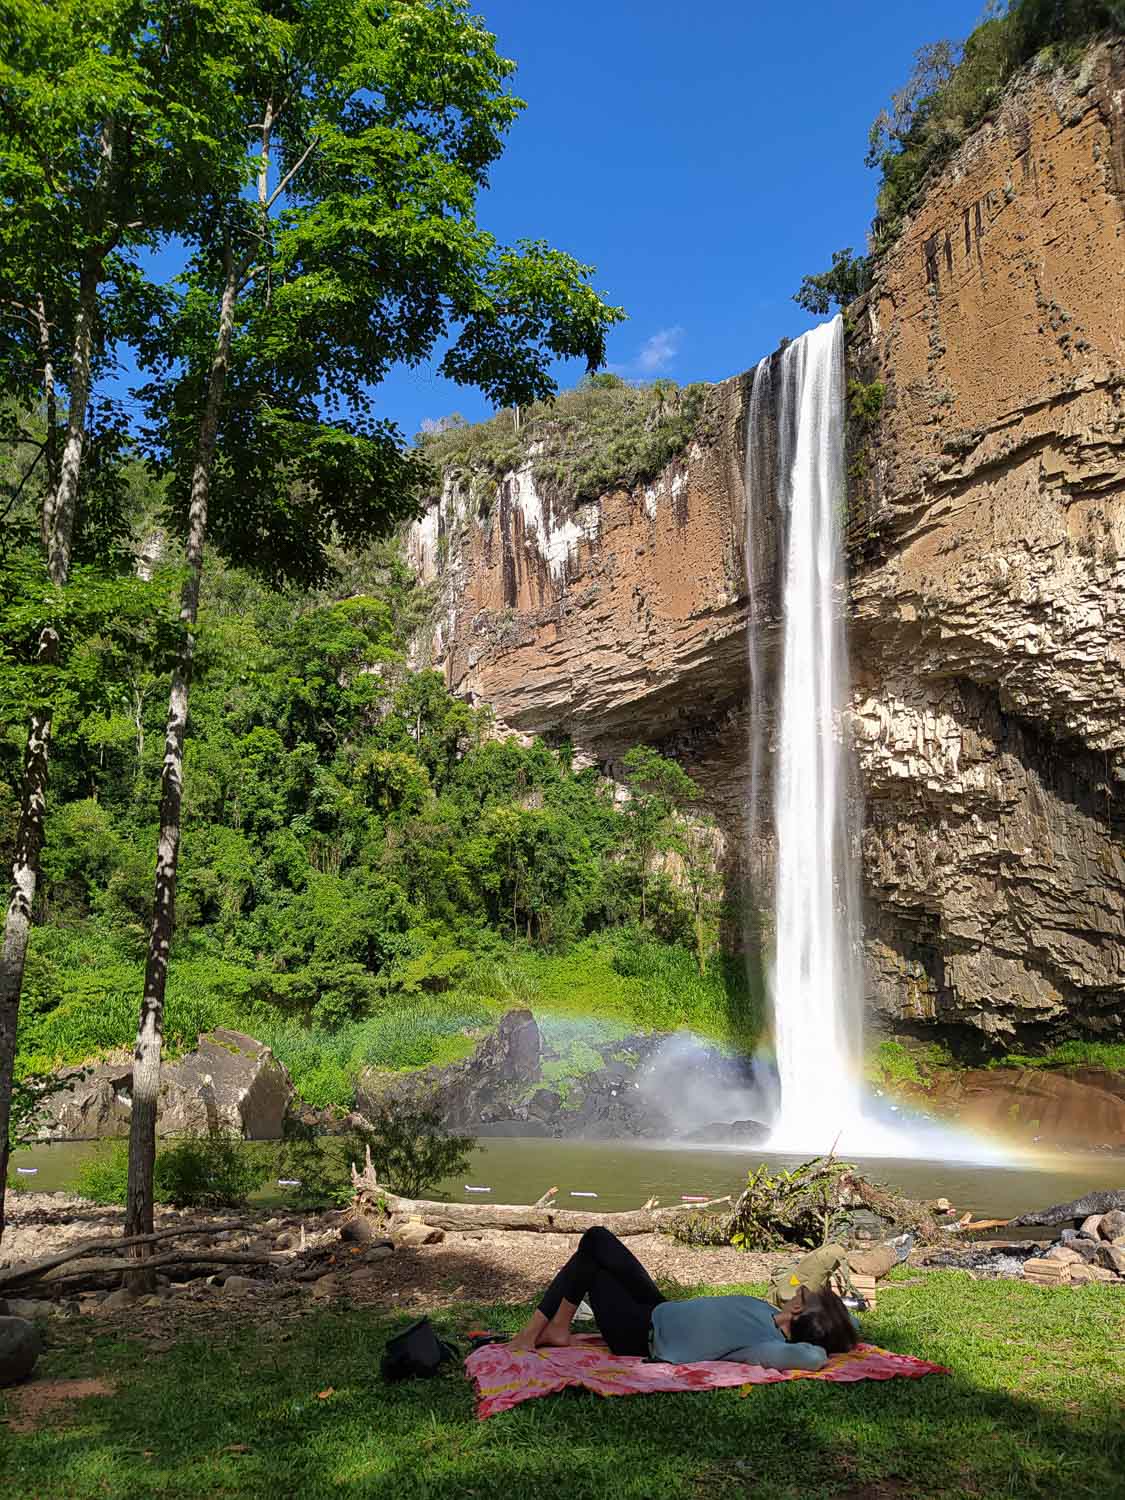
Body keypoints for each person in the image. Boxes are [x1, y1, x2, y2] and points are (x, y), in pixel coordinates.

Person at [507, 1226, 858, 1372]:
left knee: (592, 1262)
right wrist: (838, 1325)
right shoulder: (769, 1313)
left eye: (802, 1294)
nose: (798, 1290)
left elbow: (809, 1357)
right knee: (598, 1240)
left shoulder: (764, 1346)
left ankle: (540, 1331)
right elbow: (846, 1325)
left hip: (640, 1334)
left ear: (797, 1309)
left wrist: (823, 1343)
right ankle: (557, 1328)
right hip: (660, 1308)